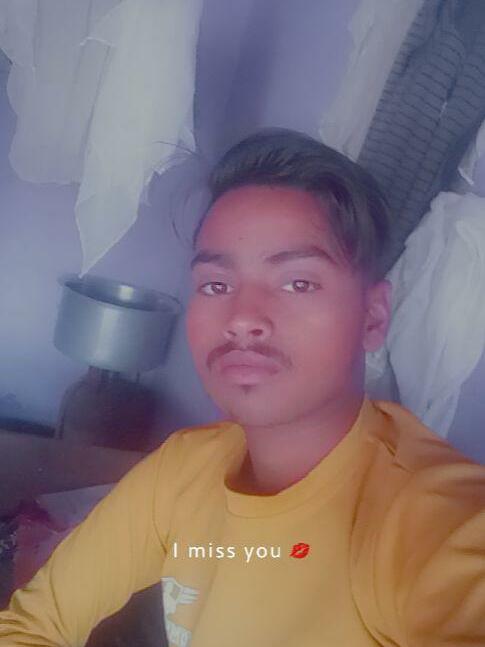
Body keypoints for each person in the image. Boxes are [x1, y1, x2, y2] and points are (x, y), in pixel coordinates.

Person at [1, 128, 485, 646]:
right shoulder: (184, 469)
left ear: (373, 317)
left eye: (298, 282)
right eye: (217, 284)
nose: (242, 318)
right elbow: (33, 625)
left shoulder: (434, 523)